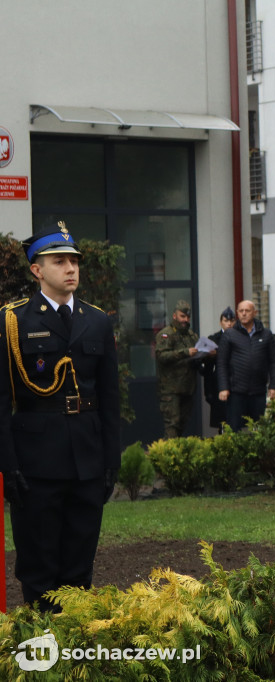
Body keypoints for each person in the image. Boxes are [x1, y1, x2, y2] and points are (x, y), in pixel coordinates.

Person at [0, 222, 120, 611]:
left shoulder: (97, 320)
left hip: (86, 459)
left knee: (79, 563)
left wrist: (111, 460)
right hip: (35, 462)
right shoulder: (13, 321)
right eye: (59, 261)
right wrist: (8, 466)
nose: (71, 269)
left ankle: (75, 647)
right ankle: (42, 650)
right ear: (37, 269)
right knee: (38, 565)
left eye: (74, 261)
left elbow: (109, 398)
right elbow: (2, 402)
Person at [217, 300, 275, 431]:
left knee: (259, 430)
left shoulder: (266, 334)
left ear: (255, 313)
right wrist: (223, 387)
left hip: (258, 391)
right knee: (234, 430)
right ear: (237, 314)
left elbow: (274, 362)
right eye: (241, 311)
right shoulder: (230, 334)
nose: (244, 314)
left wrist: (274, 386)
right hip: (236, 392)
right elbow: (222, 363)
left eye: (247, 311)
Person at [154, 299, 200, 438]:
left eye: (187, 317)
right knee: (172, 424)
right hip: (171, 389)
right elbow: (162, 356)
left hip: (187, 387)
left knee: (182, 424)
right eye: (182, 316)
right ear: (174, 316)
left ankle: (174, 453)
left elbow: (196, 354)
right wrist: (185, 352)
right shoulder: (165, 334)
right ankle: (169, 457)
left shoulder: (191, 335)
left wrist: (207, 354)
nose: (185, 320)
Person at [199, 306, 235, 432]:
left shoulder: (241, 337)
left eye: (231, 321)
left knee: (237, 419)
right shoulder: (213, 339)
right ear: (221, 322)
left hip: (237, 383)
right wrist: (207, 392)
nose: (229, 323)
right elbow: (207, 369)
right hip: (218, 385)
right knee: (222, 421)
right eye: (226, 321)